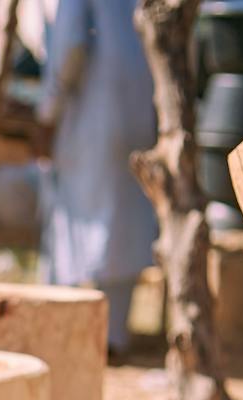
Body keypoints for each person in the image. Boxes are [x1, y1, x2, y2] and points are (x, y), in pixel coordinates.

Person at [38, 0, 158, 353]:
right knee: (124, 221)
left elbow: (69, 47)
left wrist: (48, 111)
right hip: (142, 108)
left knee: (78, 219)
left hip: (92, 111)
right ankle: (112, 334)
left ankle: (69, 333)